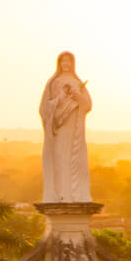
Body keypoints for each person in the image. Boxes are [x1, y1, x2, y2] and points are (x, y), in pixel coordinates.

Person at [40, 51, 92, 202]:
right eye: (63, 61)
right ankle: (61, 193)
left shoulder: (77, 81)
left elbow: (87, 105)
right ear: (59, 63)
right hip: (60, 127)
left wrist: (77, 94)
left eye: (69, 61)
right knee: (61, 156)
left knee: (75, 159)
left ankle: (76, 193)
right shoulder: (53, 83)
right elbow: (45, 107)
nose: (66, 64)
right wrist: (61, 97)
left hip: (75, 125)